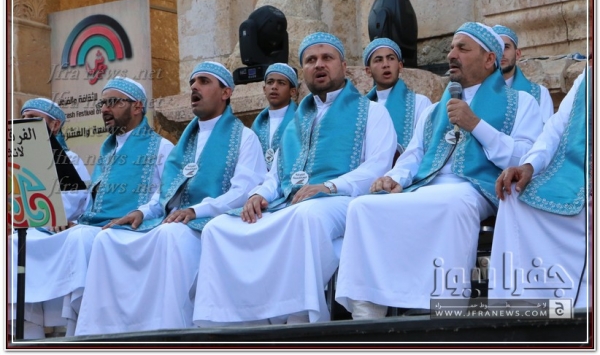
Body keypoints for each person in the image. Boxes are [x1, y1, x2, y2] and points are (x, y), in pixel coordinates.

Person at [335, 22, 544, 319]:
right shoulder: (435, 109)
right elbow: (414, 155)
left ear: (489, 59)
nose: (451, 55)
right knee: (362, 207)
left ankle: (439, 309)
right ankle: (367, 314)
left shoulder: (522, 102)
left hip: (476, 188)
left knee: (451, 203)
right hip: (427, 185)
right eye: (451, 48)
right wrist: (393, 178)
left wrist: (476, 125)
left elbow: (523, 157)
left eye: (462, 48)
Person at [192, 32, 397, 326]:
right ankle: (238, 324)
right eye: (311, 60)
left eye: (327, 58)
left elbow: (377, 166)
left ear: (344, 66)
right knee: (218, 228)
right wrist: (258, 195)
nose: (319, 65)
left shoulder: (372, 112)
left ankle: (301, 320)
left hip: (344, 200)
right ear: (304, 73)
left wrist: (329, 186)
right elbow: (275, 175)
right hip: (294, 202)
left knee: (307, 215)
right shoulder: (296, 122)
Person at [74, 62, 267, 335]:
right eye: (192, 82)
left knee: (169, 234)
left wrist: (196, 210)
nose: (194, 87)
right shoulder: (184, 144)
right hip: (177, 221)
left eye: (204, 81)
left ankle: (171, 331)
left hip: (213, 223)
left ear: (226, 93)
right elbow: (165, 192)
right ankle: (102, 333)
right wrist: (142, 212)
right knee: (107, 238)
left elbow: (242, 192)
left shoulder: (245, 138)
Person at [9, 77, 174, 339]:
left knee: (79, 237)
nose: (105, 109)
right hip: (95, 226)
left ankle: (83, 330)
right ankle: (33, 330)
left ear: (137, 106)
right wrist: (78, 220)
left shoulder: (163, 147)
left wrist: (142, 212)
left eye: (113, 102)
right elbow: (93, 202)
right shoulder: (108, 151)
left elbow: (167, 193)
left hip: (138, 226)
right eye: (102, 104)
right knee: (18, 241)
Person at [490, 65, 590, 310]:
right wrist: (529, 165)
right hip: (576, 177)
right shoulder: (586, 78)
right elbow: (556, 128)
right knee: (514, 195)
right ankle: (520, 306)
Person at [20, 98, 91, 226]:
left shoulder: (70, 159)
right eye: (23, 117)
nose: (25, 122)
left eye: (32, 117)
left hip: (59, 226)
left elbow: (71, 201)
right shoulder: (19, 159)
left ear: (55, 125)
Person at [363, 38, 432, 155]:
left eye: (391, 58)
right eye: (378, 60)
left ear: (400, 66)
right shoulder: (362, 110)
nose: (385, 64)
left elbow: (428, 146)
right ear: (368, 71)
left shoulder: (420, 103)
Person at [492, 25, 554, 122]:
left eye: (506, 47)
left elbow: (547, 130)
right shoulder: (477, 91)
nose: (502, 53)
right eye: (497, 48)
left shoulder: (540, 94)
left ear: (517, 54)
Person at [251, 62, 298, 170]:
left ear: (292, 91)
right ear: (264, 89)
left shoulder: (300, 120)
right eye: (270, 82)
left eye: (281, 83)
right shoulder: (257, 125)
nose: (274, 87)